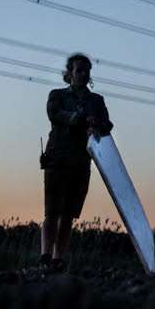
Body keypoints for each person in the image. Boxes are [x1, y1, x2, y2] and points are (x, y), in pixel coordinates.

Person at [42, 52, 112, 272]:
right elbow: (55, 114)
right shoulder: (57, 95)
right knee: (52, 211)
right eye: (79, 70)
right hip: (57, 157)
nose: (83, 74)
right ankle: (45, 255)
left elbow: (108, 125)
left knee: (69, 213)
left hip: (82, 160)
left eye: (86, 71)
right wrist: (79, 119)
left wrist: (96, 124)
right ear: (69, 73)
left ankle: (58, 257)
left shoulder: (97, 100)